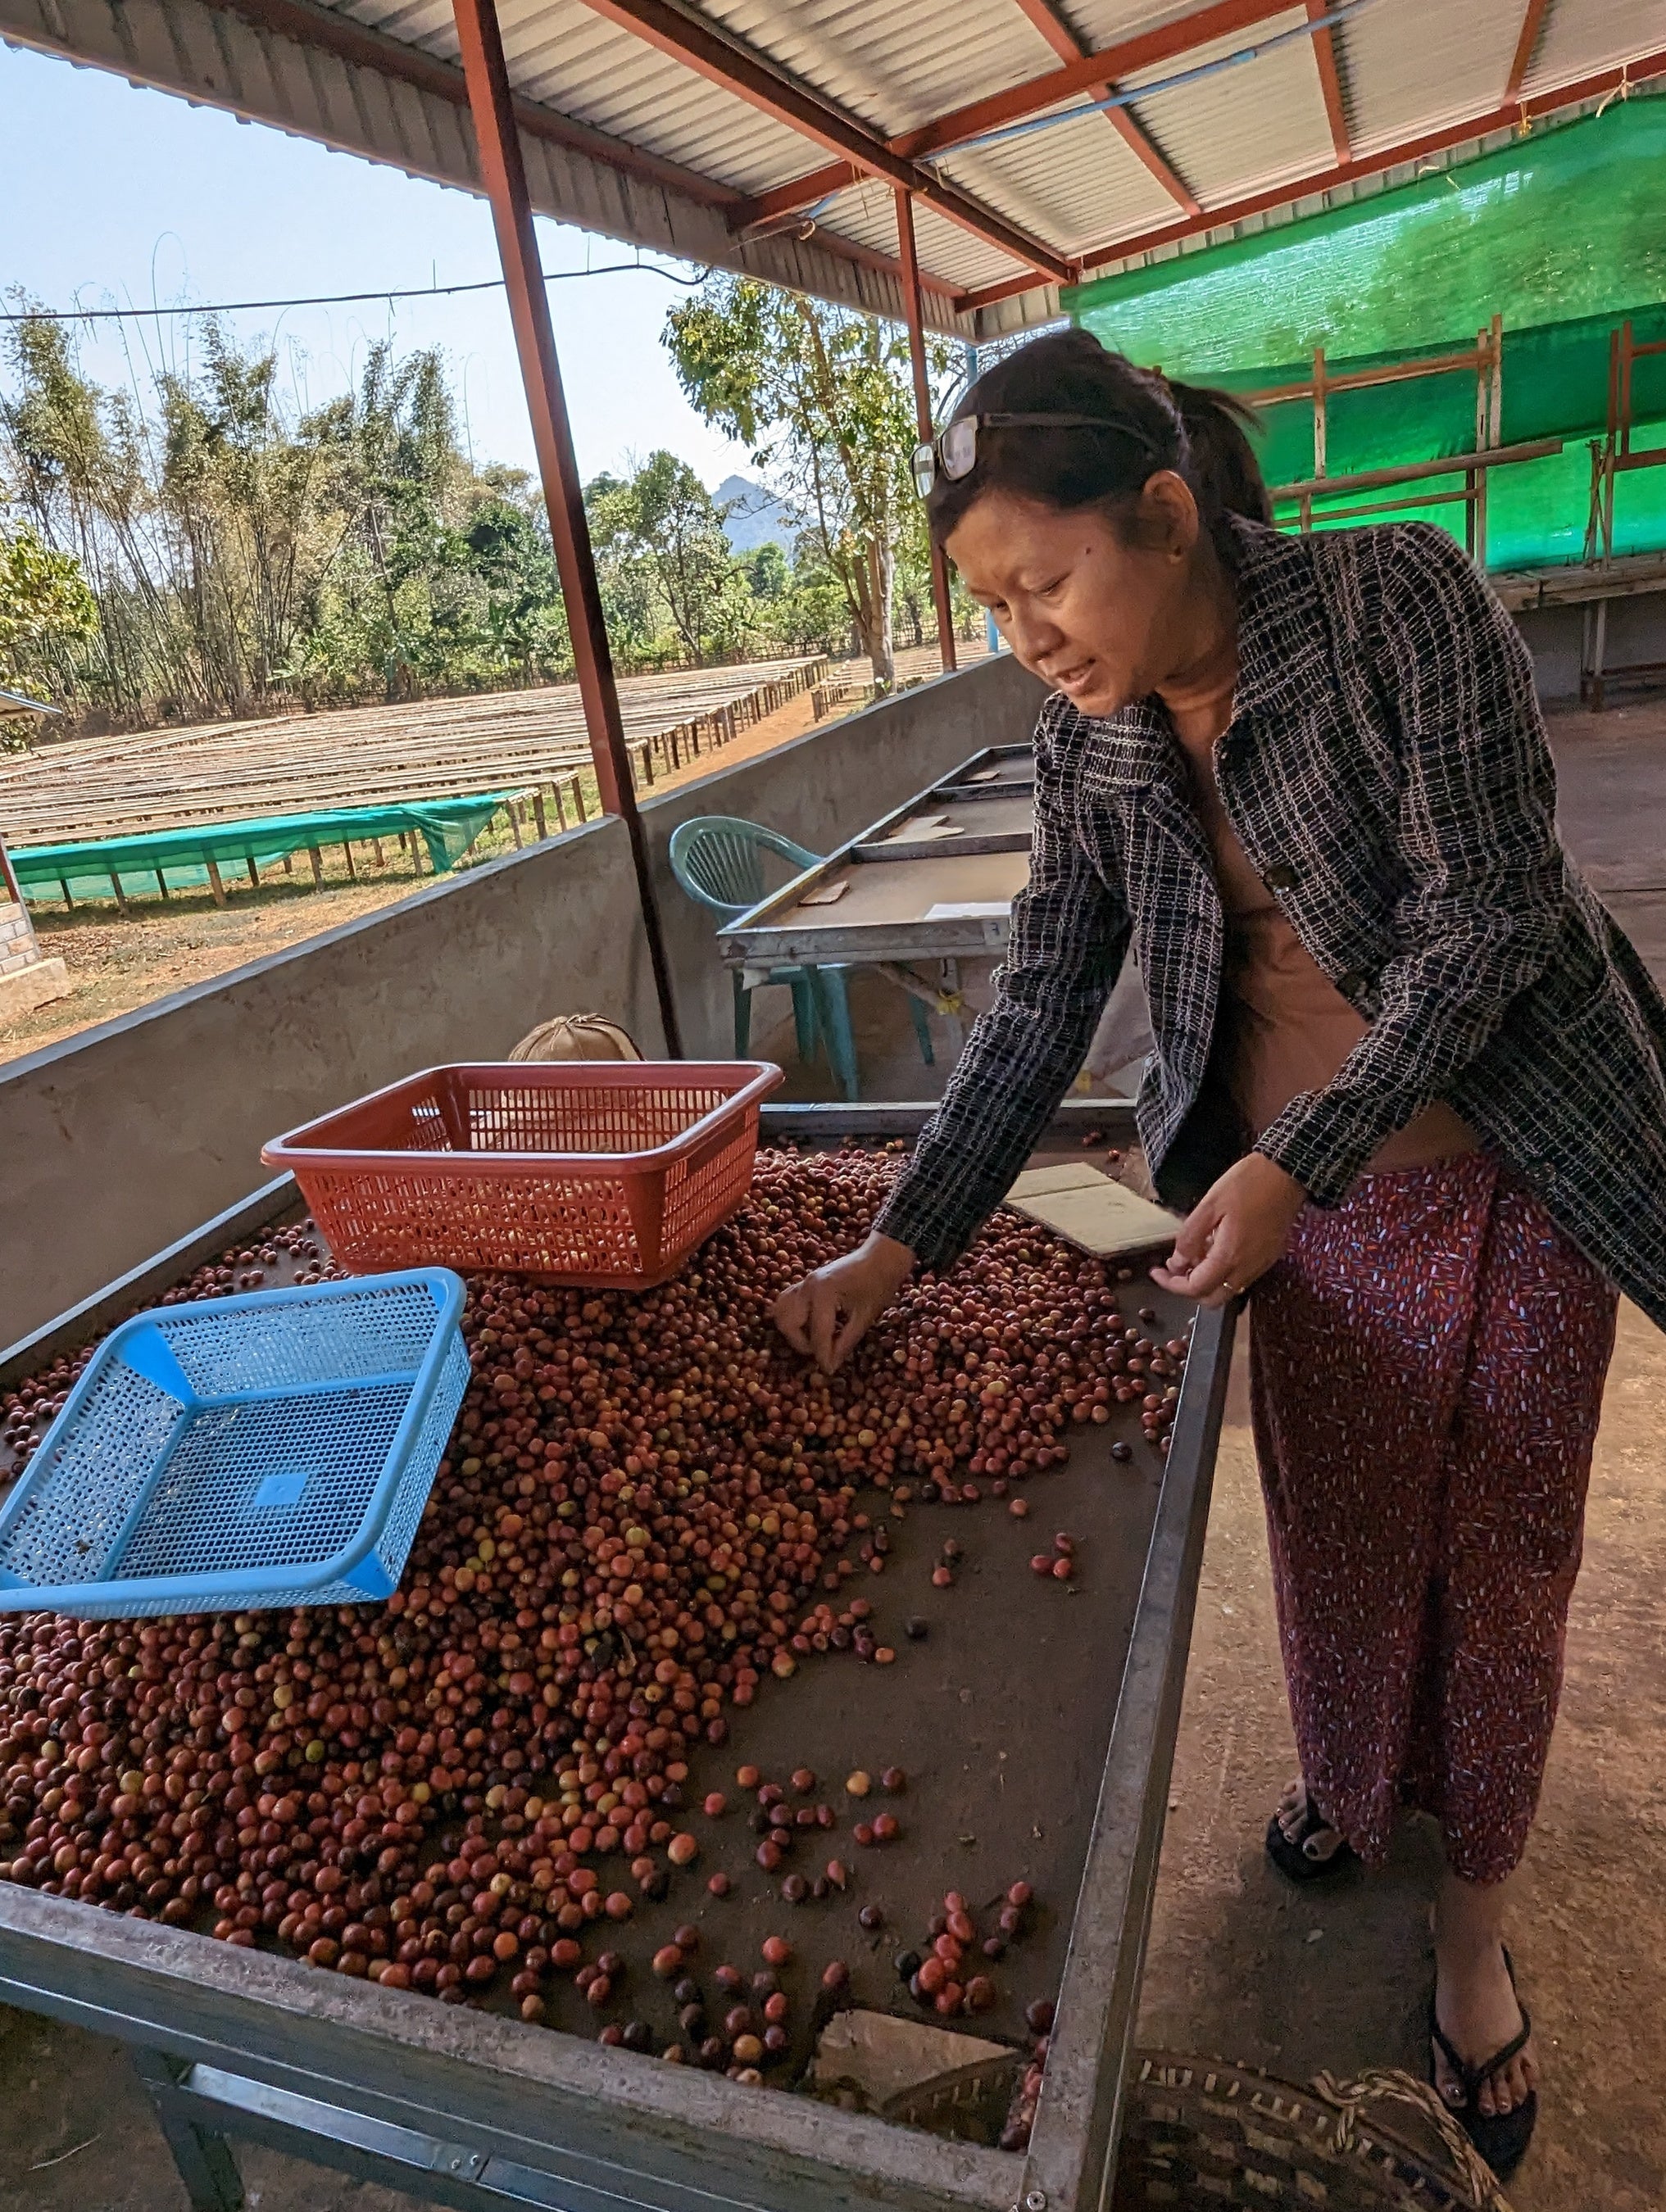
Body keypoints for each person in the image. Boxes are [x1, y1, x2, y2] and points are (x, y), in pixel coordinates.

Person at [772, 328, 1666, 2176]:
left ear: (1167, 510)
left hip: (1502, 1168)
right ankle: (1353, 1792)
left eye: (1050, 576)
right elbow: (1039, 1004)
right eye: (998, 603)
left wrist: (1301, 1159)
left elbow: (1492, 914)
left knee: (1494, 1556)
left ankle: (1477, 1937)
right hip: (1298, 1213)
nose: (1031, 631)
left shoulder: (1392, 605)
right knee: (1337, 1538)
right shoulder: (1088, 740)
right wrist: (901, 1238)